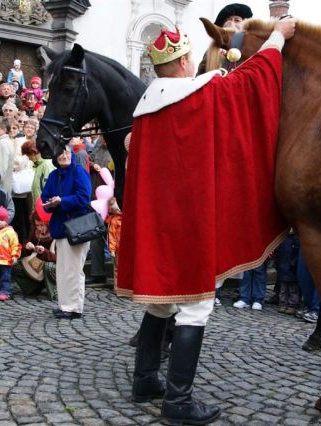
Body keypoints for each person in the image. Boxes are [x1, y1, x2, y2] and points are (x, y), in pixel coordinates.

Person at [117, 19, 296, 425]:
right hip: (191, 222)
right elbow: (253, 79)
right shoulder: (206, 93)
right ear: (182, 63)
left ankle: (145, 379)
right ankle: (178, 402)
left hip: (158, 222)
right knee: (195, 307)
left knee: (163, 303)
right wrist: (278, 38)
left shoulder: (144, 111)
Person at [40, 145, 92, 319]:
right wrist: (50, 204)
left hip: (77, 227)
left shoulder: (78, 171)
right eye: (60, 153)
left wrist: (62, 201)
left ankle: (74, 307)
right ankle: (65, 305)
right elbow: (44, 197)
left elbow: (84, 197)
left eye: (67, 152)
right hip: (60, 227)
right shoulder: (54, 175)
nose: (64, 156)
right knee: (63, 270)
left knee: (74, 269)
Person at [86, 134, 113, 285]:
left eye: (105, 137)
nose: (103, 139)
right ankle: (97, 272)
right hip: (96, 199)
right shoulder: (97, 146)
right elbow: (90, 158)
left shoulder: (115, 152)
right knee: (95, 236)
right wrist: (93, 164)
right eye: (102, 137)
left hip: (111, 202)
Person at [12, 211, 57, 300]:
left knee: (48, 267)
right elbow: (24, 249)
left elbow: (59, 259)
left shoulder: (56, 234)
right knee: (13, 266)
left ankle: (53, 291)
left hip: (52, 266)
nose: (39, 228)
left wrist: (44, 252)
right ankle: (32, 288)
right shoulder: (34, 232)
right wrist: (27, 247)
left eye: (42, 225)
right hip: (36, 266)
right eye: (37, 225)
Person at [21, 137, 55, 210]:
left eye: (28, 156)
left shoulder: (46, 164)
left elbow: (49, 189)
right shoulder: (37, 165)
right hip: (39, 207)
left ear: (33, 153)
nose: (29, 158)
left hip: (44, 208)